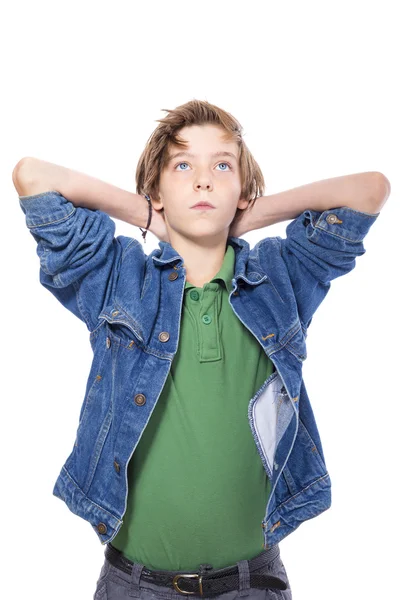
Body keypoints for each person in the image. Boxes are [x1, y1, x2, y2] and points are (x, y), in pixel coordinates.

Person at [14, 99, 389, 599]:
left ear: (242, 189)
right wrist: (149, 215)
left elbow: (371, 190)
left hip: (250, 584)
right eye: (183, 164)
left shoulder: (280, 279)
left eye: (222, 166)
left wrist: (253, 215)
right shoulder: (119, 279)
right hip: (134, 585)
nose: (204, 180)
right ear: (157, 188)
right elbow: (32, 177)